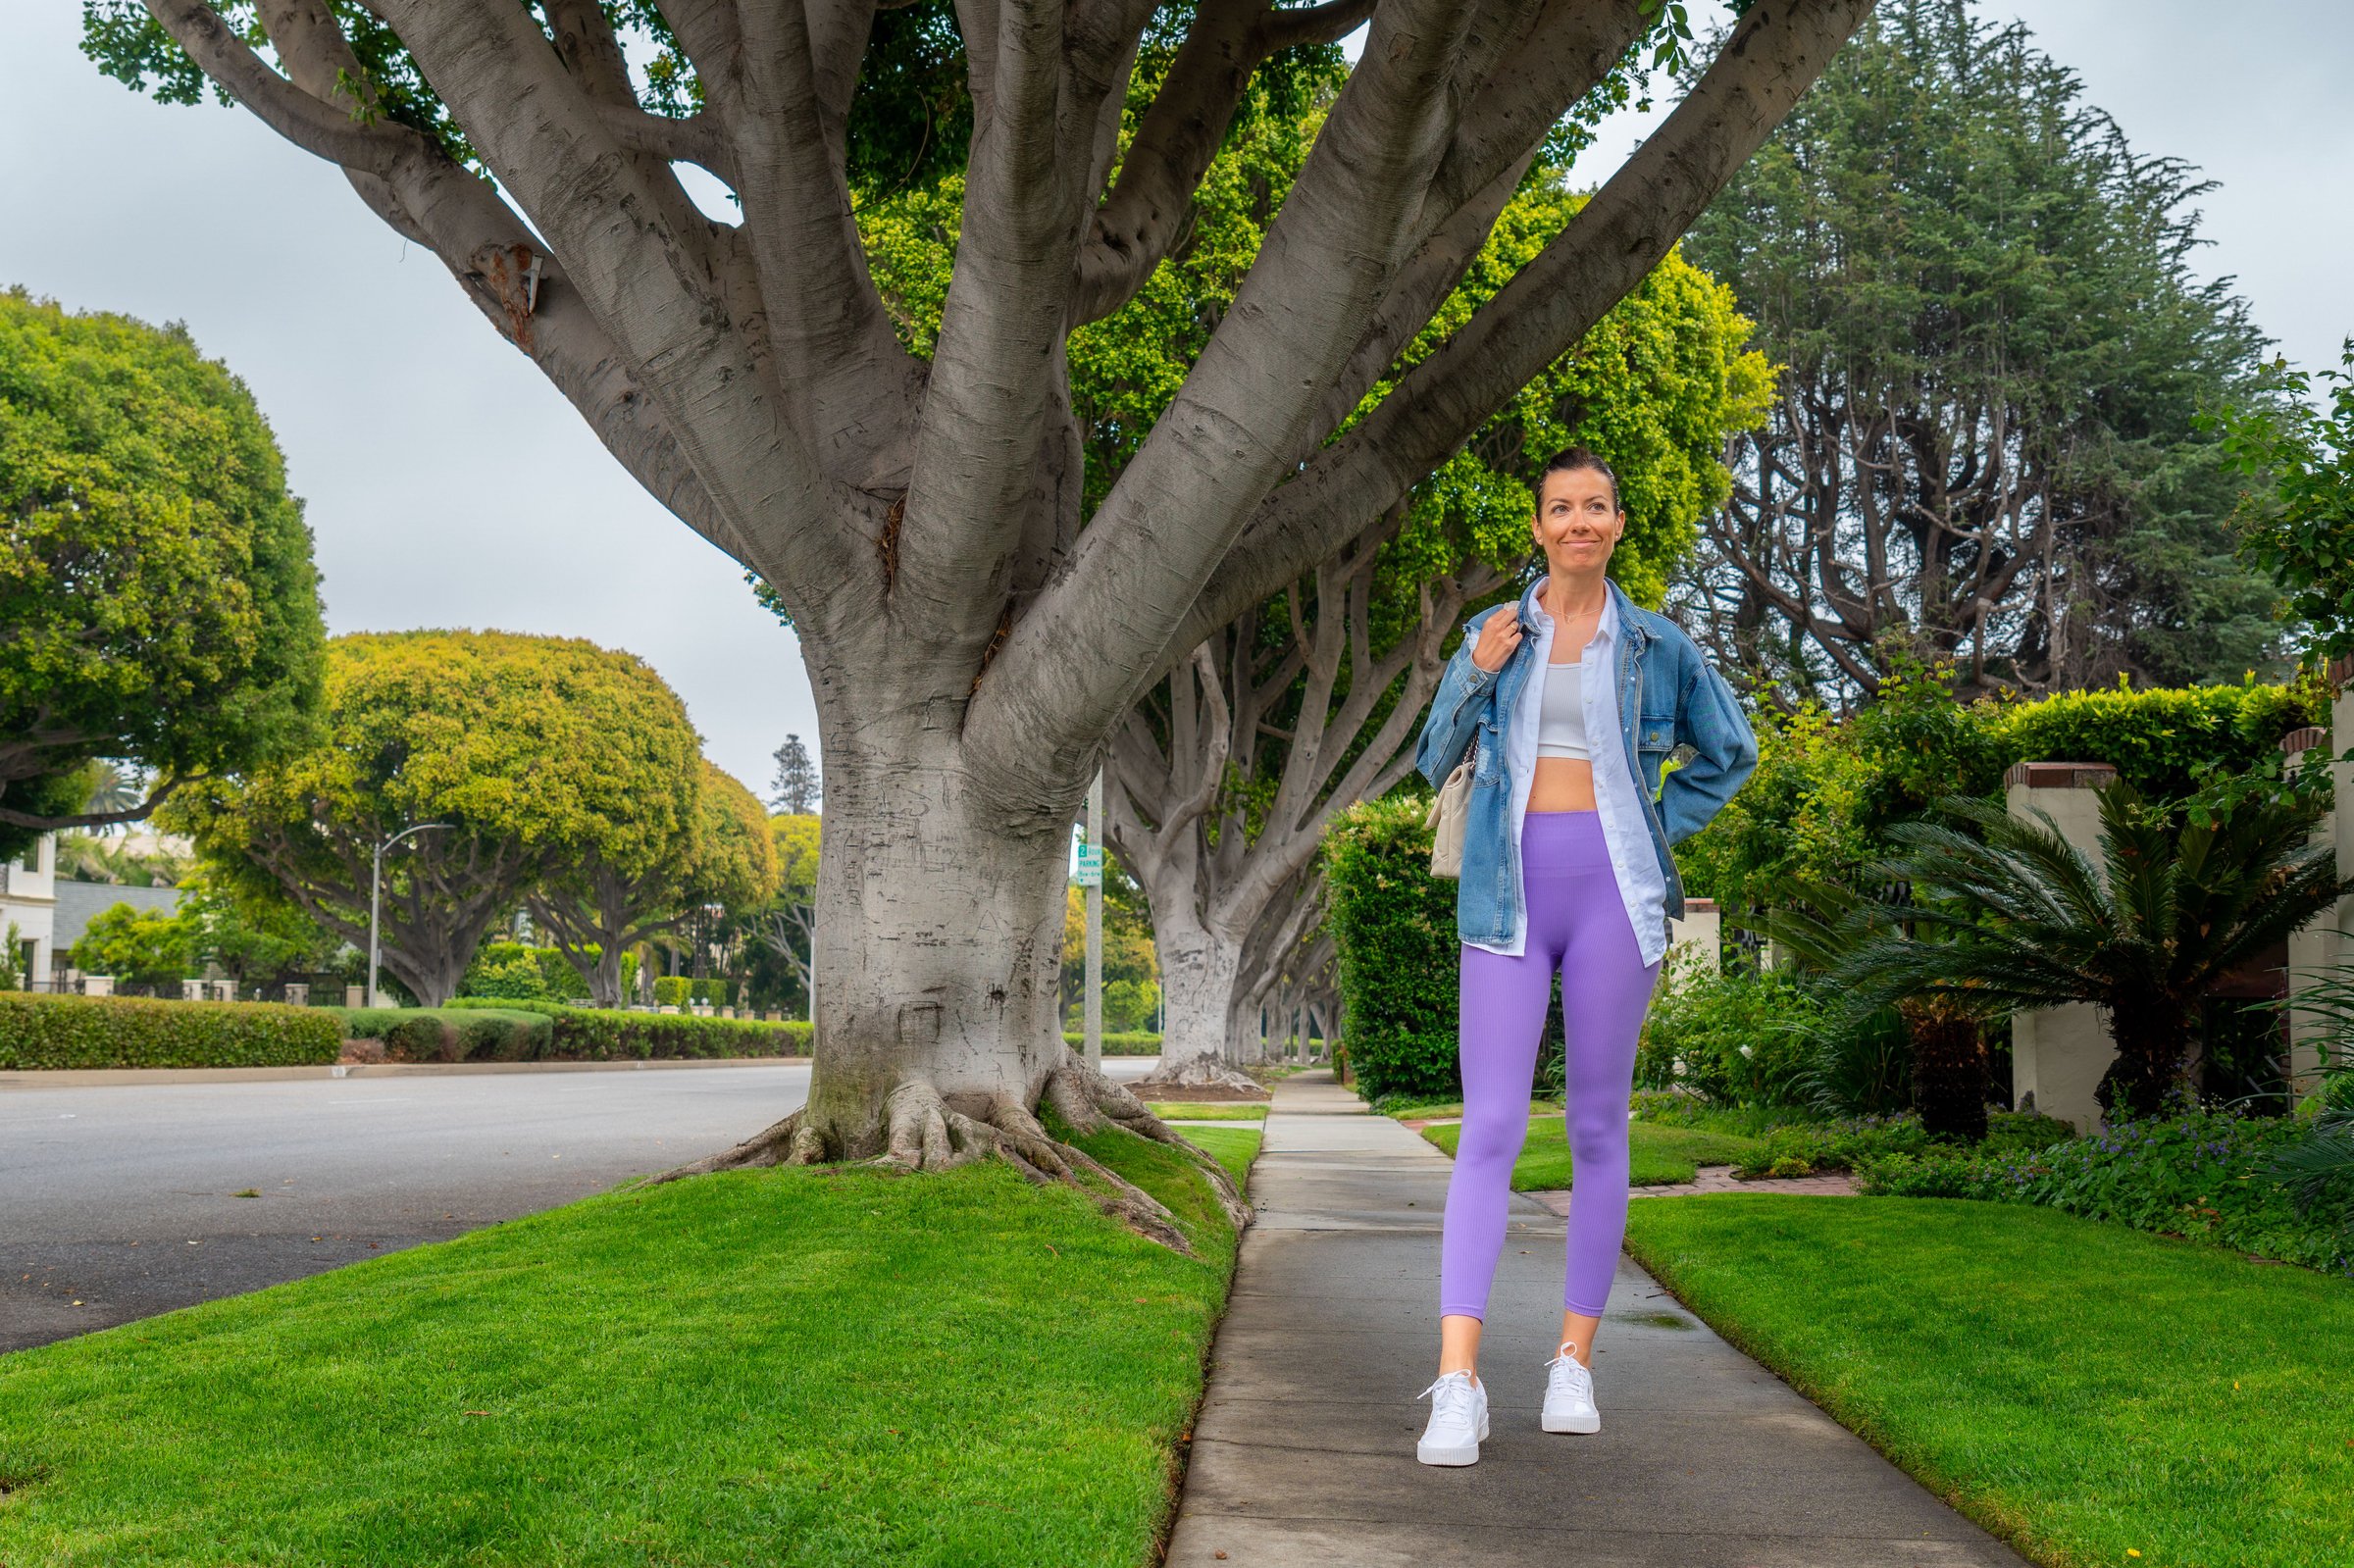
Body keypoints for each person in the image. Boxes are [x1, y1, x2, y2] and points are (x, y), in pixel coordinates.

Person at [1407, 446, 1757, 1467]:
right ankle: (1459, 1383)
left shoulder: (1656, 643)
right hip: (1508, 898)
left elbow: (1728, 754)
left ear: (1617, 523)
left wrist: (1655, 825)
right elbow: (1432, 759)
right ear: (1538, 526)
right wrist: (1472, 677)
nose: (1579, 523)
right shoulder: (1494, 634)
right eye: (1561, 508)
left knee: (1600, 1126)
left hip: (1616, 896)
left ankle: (1573, 1363)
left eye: (1595, 506)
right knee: (1493, 1125)